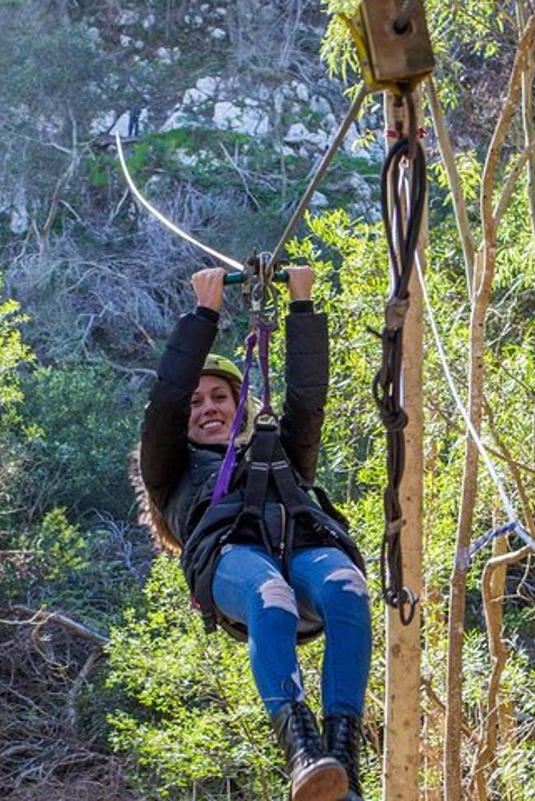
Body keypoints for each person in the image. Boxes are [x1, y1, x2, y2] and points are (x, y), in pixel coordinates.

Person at [132, 265, 372, 801]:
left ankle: (343, 759)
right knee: (272, 599)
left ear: (240, 404)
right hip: (230, 557)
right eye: (196, 404)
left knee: (348, 590)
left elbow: (308, 399)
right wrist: (204, 315)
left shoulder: (278, 449)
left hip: (305, 545)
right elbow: (165, 401)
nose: (206, 408)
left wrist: (303, 309)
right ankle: (303, 751)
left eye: (218, 397)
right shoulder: (170, 467)